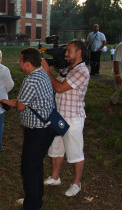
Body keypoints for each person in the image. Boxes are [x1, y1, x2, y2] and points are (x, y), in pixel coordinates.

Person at [1, 48, 55, 209]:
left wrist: (14, 104)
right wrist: (11, 101)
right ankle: (36, 198)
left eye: (20, 61)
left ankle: (31, 204)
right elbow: (30, 100)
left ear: (28, 64)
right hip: (46, 128)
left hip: (37, 131)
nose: (19, 63)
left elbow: (21, 107)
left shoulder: (30, 80)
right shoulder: (42, 74)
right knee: (36, 165)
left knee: (29, 168)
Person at [41, 40, 90, 197]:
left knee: (75, 153)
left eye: (69, 51)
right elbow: (55, 84)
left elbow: (60, 88)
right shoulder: (68, 68)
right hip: (59, 115)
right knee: (56, 149)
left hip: (73, 118)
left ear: (79, 52)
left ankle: (77, 183)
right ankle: (55, 177)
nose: (66, 54)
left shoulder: (81, 71)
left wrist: (48, 72)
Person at [107, 42, 122, 117]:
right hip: (119, 72)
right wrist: (118, 76)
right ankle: (110, 105)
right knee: (119, 91)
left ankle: (120, 109)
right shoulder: (120, 46)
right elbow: (115, 63)